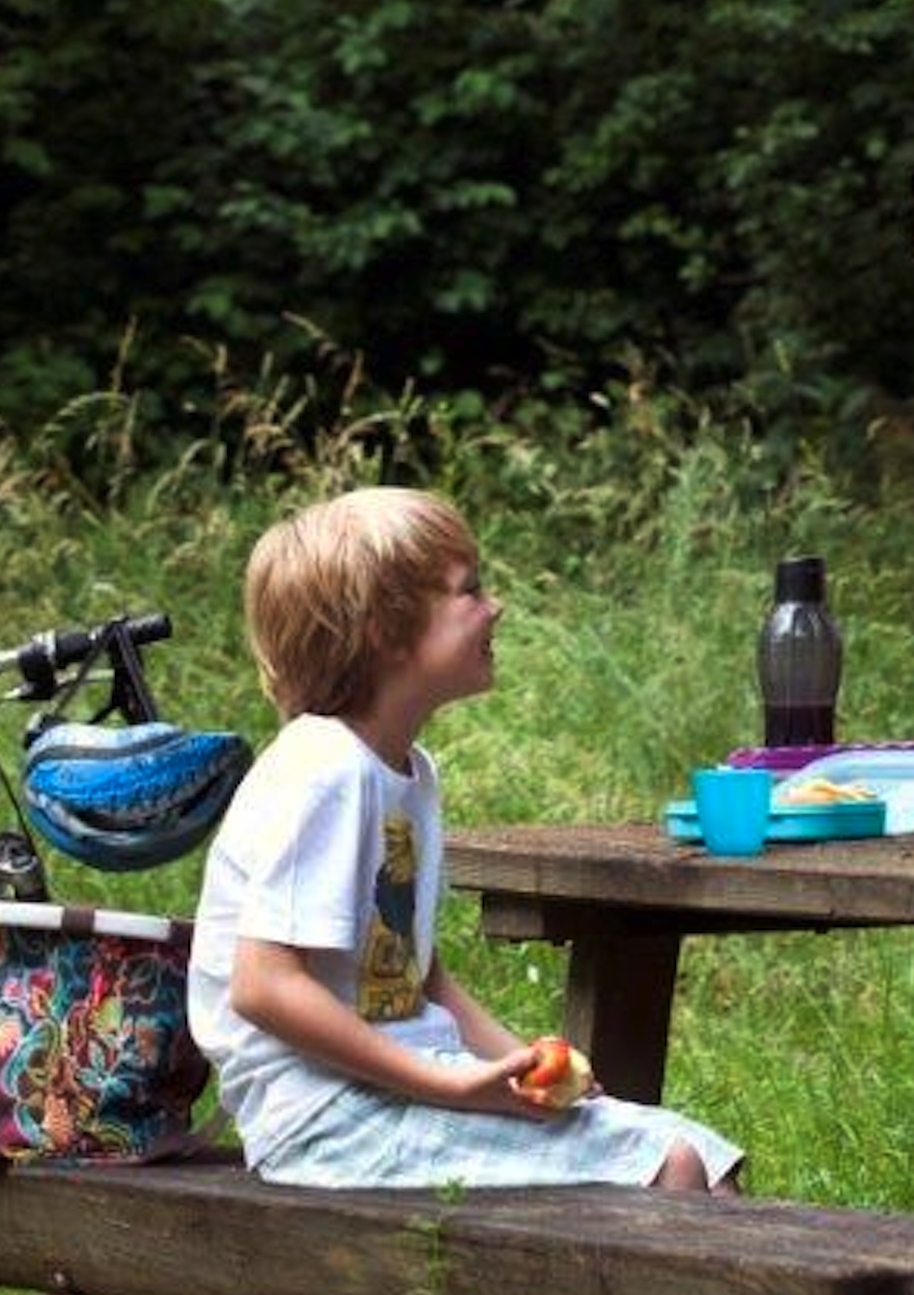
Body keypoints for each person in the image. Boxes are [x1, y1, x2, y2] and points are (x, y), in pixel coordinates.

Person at [190, 486, 744, 1194]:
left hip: (395, 1092)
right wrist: (450, 1087)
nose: (495, 607)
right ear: (384, 634)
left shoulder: (407, 773)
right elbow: (263, 987)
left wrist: (526, 1067)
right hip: (327, 1117)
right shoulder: (322, 769)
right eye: (469, 590)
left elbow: (418, 979)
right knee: (669, 1167)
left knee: (697, 1150)